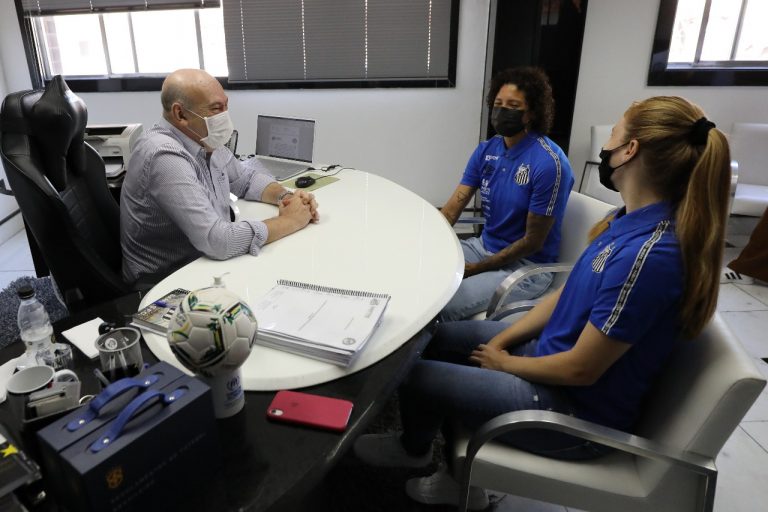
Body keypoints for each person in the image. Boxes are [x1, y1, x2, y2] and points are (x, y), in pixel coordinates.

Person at [354, 96, 731, 509]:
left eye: (613, 134)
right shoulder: (628, 218)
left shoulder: (649, 258)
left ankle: (435, 463)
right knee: (438, 338)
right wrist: (503, 340)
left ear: (630, 150)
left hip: (568, 415)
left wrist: (507, 363)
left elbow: (582, 369)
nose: (606, 145)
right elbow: (566, 296)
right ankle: (419, 446)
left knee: (412, 376)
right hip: (550, 363)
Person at [121, 69, 319, 285]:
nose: (225, 116)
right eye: (216, 108)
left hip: (204, 263)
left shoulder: (203, 140)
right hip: (166, 281)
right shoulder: (164, 156)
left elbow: (245, 179)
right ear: (181, 114)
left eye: (226, 106)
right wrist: (289, 220)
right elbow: (217, 241)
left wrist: (287, 199)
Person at [439, 67, 574, 321]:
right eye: (498, 104)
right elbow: (452, 209)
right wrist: (429, 244)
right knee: (417, 277)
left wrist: (477, 269)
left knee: (442, 306)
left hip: (527, 268)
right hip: (482, 247)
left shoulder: (548, 163)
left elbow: (533, 242)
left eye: (513, 105)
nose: (502, 112)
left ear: (531, 112)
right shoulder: (486, 151)